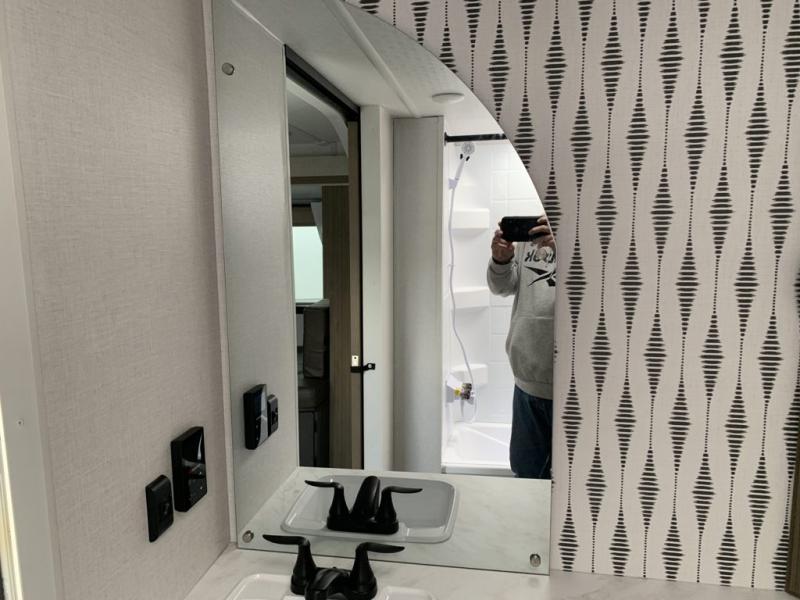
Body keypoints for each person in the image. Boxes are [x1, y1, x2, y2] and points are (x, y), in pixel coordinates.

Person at [487, 216, 555, 479]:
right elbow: (501, 287)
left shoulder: (594, 231)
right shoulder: (531, 235)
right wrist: (501, 260)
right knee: (526, 475)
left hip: (576, 388)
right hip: (526, 381)